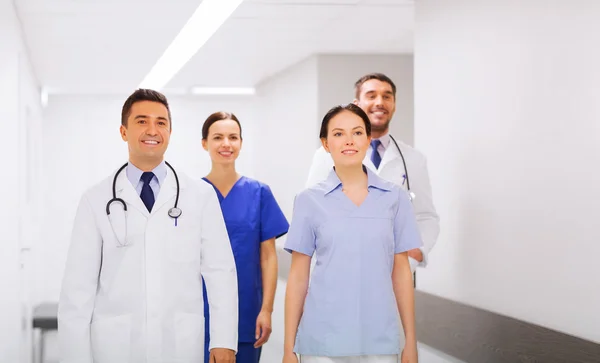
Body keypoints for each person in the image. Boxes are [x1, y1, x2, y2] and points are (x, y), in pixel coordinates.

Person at [58, 89, 238, 363]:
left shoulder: (200, 195)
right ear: (123, 131)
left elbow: (220, 271)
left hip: (179, 342)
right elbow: (77, 289)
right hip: (116, 345)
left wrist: (224, 340)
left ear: (170, 131)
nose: (152, 129)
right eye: (142, 121)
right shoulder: (96, 199)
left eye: (161, 122)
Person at [283, 104, 421, 363]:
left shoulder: (395, 198)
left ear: (369, 139)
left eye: (357, 133)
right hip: (322, 338)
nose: (349, 141)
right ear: (325, 143)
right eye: (338, 134)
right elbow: (298, 276)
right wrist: (289, 348)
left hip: (380, 338)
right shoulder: (308, 200)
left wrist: (410, 342)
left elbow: (401, 272)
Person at [305, 73, 439, 274]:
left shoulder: (413, 159)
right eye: (371, 95)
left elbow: (425, 216)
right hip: (341, 271)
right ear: (356, 104)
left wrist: (417, 252)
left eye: (387, 96)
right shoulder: (327, 155)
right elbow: (311, 213)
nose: (380, 102)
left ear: (394, 104)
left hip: (396, 273)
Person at [200, 111, 290, 363]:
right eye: (218, 137)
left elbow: (268, 258)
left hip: (247, 313)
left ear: (241, 143)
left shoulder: (259, 193)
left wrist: (267, 310)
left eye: (233, 137)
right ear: (204, 143)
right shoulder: (192, 195)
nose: (226, 144)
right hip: (201, 314)